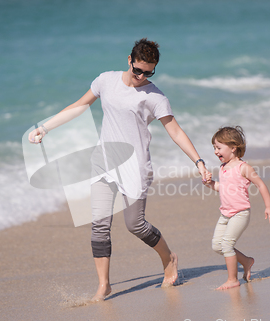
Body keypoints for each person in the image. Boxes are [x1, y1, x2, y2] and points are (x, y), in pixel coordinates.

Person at [28, 38, 211, 301]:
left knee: (135, 225)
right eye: (138, 70)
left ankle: (168, 256)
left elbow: (175, 130)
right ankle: (104, 285)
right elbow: (79, 106)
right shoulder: (106, 80)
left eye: (149, 72)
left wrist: (199, 161)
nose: (141, 76)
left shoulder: (155, 96)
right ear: (129, 60)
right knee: (99, 226)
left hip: (135, 167)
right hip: (104, 163)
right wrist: (45, 127)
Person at [203, 126, 270, 290]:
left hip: (240, 213)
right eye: (214, 148)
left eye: (219, 147)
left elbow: (260, 185)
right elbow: (222, 187)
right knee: (217, 245)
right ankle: (246, 261)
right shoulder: (223, 168)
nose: (216, 151)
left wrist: (269, 206)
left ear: (233, 147)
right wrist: (210, 184)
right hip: (225, 214)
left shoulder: (243, 167)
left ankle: (232, 279)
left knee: (227, 245)